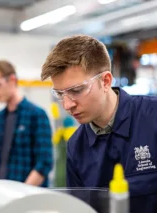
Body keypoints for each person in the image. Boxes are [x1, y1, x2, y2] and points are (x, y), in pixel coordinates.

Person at [41, 34, 157, 213]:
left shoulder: (152, 117)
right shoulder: (76, 147)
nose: (67, 105)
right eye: (60, 94)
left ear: (106, 81)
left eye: (76, 90)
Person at [0, 60, 53, 187]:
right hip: (0, 192)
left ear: (12, 80)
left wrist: (22, 193)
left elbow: (44, 162)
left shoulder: (37, 115)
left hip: (28, 198)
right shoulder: (0, 118)